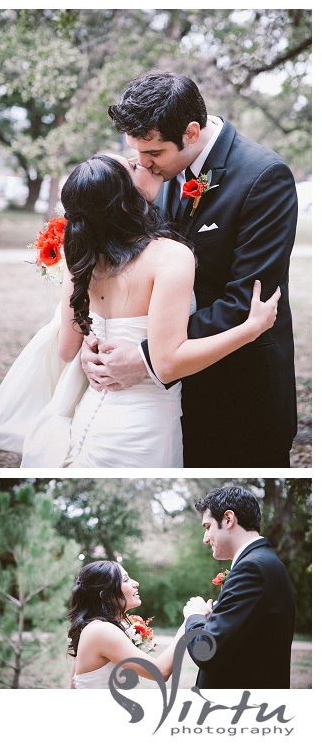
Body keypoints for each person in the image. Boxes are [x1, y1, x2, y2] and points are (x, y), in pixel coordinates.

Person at [85, 72, 297, 467]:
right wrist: (98, 339)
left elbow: (246, 302)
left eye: (153, 153)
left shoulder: (264, 177)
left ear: (192, 132)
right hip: (171, 402)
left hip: (240, 392)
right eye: (136, 151)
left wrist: (147, 356)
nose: (142, 165)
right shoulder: (157, 172)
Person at [17, 153, 278, 467]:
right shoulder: (169, 256)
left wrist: (91, 342)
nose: (139, 159)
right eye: (131, 166)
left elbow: (65, 348)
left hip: (89, 418)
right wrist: (250, 330)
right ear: (125, 201)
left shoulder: (81, 254)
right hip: (141, 430)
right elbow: (167, 365)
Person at [183, 486, 295, 689]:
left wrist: (194, 616)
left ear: (228, 519)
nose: (205, 538)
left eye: (208, 527)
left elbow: (208, 653)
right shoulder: (268, 562)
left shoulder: (252, 568)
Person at [68, 560, 186, 689]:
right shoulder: (101, 630)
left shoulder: (91, 628)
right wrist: (187, 623)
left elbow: (73, 689)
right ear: (106, 596)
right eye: (125, 580)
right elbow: (161, 672)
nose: (136, 583)